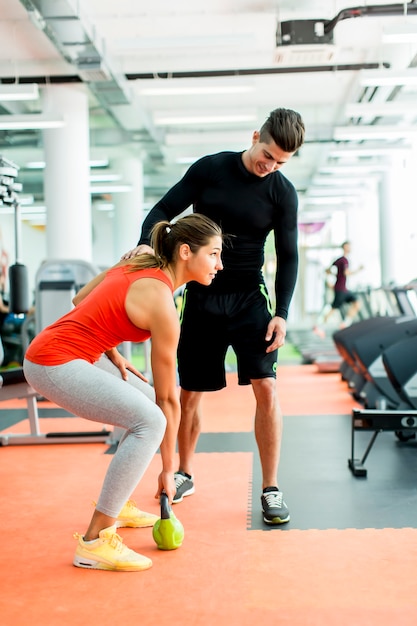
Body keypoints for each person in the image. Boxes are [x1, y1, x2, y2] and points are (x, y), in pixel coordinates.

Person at [122, 108, 305, 525]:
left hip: (249, 299)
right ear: (256, 135)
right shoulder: (211, 169)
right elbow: (163, 210)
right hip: (202, 295)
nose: (269, 166)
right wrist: (145, 245)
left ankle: (271, 487)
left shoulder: (282, 192)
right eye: (267, 154)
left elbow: (288, 254)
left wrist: (282, 313)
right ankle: (185, 472)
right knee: (189, 392)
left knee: (268, 389)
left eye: (280, 162)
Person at [23, 213, 223, 572]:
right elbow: (168, 400)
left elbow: (82, 299)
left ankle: (121, 501)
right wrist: (169, 470)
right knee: (150, 418)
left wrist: (109, 347)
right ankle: (95, 542)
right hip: (53, 361)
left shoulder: (143, 260)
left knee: (143, 402)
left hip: (66, 351)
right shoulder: (162, 303)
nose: (219, 265)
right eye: (214, 254)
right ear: (185, 252)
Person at [320, 241, 364, 329]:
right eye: (349, 246)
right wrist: (358, 270)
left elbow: (327, 270)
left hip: (342, 288)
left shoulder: (339, 260)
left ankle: (345, 323)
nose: (350, 248)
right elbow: (346, 273)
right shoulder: (344, 260)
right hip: (341, 289)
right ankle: (320, 326)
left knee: (356, 303)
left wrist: (334, 277)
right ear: (345, 247)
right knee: (333, 308)